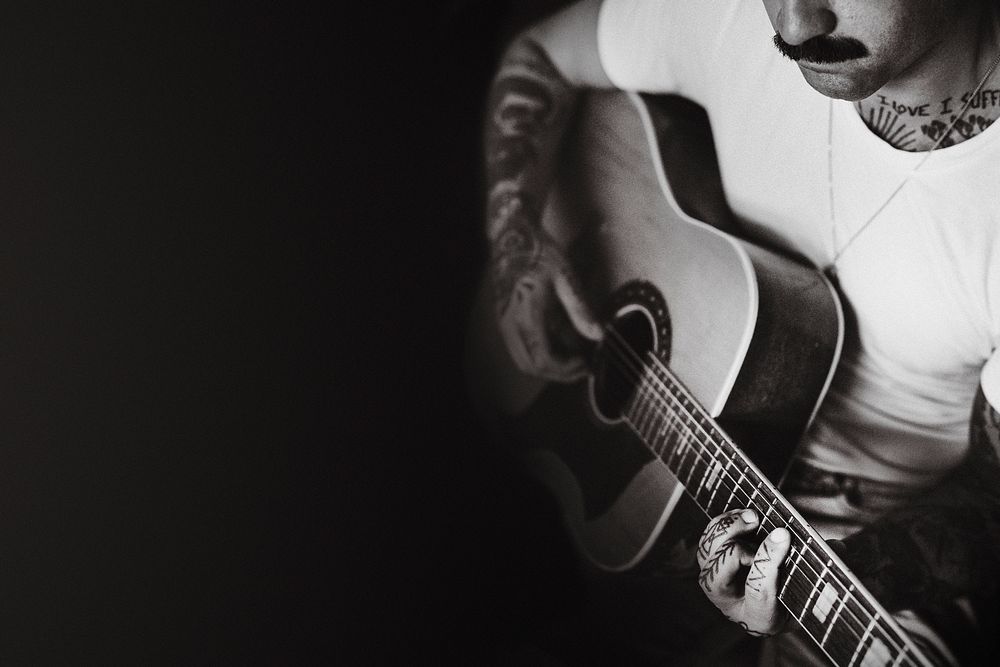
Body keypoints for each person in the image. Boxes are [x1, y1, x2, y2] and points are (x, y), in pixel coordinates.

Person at [481, 0, 1000, 664]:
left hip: (870, 543)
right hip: (645, 494)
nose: (792, 26)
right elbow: (543, 53)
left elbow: (995, 496)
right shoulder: (731, 18)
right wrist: (516, 244)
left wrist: (855, 569)